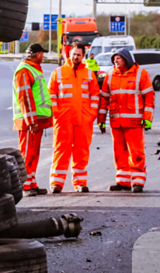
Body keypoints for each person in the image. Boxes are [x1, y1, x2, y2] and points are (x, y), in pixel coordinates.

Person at [98, 49, 155, 193]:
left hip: (134, 122)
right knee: (119, 152)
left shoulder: (141, 74)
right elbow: (104, 98)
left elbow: (149, 96)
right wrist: (101, 119)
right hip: (116, 122)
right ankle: (123, 181)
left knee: (136, 152)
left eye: (118, 58)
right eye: (114, 59)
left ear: (126, 59)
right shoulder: (110, 76)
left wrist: (147, 118)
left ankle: (138, 182)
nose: (115, 61)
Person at [48, 42, 100, 193]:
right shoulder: (58, 73)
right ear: (68, 54)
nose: (75, 57)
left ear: (83, 56)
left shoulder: (89, 74)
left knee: (81, 151)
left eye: (78, 54)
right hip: (63, 119)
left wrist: (91, 114)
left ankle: (80, 182)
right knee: (61, 150)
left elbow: (95, 95)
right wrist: (57, 112)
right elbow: (51, 94)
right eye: (73, 54)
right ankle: (56, 183)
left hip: (84, 119)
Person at [12, 43, 51, 196]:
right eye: (42, 53)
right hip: (28, 121)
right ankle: (25, 186)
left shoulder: (32, 70)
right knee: (27, 153)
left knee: (33, 153)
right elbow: (25, 98)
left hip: (34, 120)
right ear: (37, 54)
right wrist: (31, 121)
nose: (44, 56)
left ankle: (31, 183)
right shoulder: (24, 71)